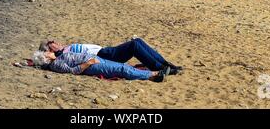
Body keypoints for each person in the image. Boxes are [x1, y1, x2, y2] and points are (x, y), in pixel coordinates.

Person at [40, 38, 182, 74]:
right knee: (134, 45)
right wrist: (53, 54)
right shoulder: (61, 54)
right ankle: (159, 67)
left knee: (137, 42)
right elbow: (73, 65)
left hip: (105, 51)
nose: (55, 42)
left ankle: (167, 64)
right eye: (51, 43)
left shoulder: (65, 47)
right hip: (103, 55)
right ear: (49, 49)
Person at [33, 50, 171, 82]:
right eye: (46, 52)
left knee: (122, 66)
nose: (49, 51)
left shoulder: (58, 58)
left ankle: (152, 73)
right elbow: (73, 71)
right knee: (121, 69)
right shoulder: (56, 65)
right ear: (45, 58)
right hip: (92, 66)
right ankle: (152, 76)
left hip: (94, 60)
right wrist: (89, 63)